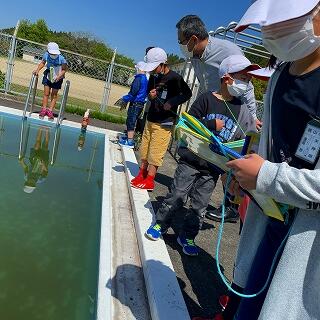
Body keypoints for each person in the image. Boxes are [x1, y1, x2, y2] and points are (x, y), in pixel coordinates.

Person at [221, 1, 320, 319]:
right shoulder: (280, 77)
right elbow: (270, 152)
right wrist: (248, 183)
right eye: (269, 25)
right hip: (270, 225)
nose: (273, 31)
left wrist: (263, 177)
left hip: (306, 244)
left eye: (286, 21)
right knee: (247, 304)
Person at [144, 54, 257, 256]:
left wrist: (256, 131)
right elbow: (187, 125)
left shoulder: (242, 109)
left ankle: (188, 235)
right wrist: (211, 125)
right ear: (227, 77)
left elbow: (246, 135)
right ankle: (161, 223)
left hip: (212, 168)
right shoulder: (206, 99)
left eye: (247, 80)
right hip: (191, 160)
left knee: (200, 205)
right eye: (243, 78)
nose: (245, 84)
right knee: (177, 195)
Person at [176, 15, 261, 222]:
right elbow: (204, 87)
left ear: (193, 39)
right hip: (211, 108)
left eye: (181, 41)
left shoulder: (228, 51)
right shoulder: (195, 58)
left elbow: (245, 85)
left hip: (232, 112)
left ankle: (232, 206)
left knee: (228, 159)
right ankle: (195, 195)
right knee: (206, 156)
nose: (180, 45)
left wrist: (251, 117)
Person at [130, 47, 192, 191]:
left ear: (163, 64)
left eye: (154, 67)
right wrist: (150, 95)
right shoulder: (154, 76)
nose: (152, 70)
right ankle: (142, 173)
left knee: (156, 151)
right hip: (151, 117)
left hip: (165, 121)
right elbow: (148, 93)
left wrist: (172, 102)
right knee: (145, 148)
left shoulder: (175, 78)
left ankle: (150, 179)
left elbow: (187, 93)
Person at [117, 62, 148, 148]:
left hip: (135, 103)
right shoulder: (145, 79)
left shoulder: (139, 79)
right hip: (140, 103)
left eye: (136, 68)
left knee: (131, 120)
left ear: (139, 69)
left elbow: (134, 92)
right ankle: (128, 137)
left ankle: (129, 141)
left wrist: (125, 98)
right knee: (132, 120)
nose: (135, 70)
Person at [33, 42, 67, 120]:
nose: (53, 54)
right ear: (48, 51)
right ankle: (44, 109)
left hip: (58, 77)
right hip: (48, 74)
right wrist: (37, 70)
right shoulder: (46, 55)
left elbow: (64, 69)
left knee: (54, 94)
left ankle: (50, 111)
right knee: (46, 93)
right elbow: (43, 63)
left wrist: (59, 76)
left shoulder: (62, 58)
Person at [19, 127, 50, 193]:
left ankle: (40, 128)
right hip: (43, 161)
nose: (31, 182)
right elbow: (46, 171)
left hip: (33, 161)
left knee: (37, 144)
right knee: (45, 145)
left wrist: (21, 162)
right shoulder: (41, 179)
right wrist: (42, 164)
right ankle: (47, 130)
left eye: (29, 183)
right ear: (34, 185)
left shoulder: (26, 177)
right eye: (32, 184)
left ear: (26, 182)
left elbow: (26, 168)